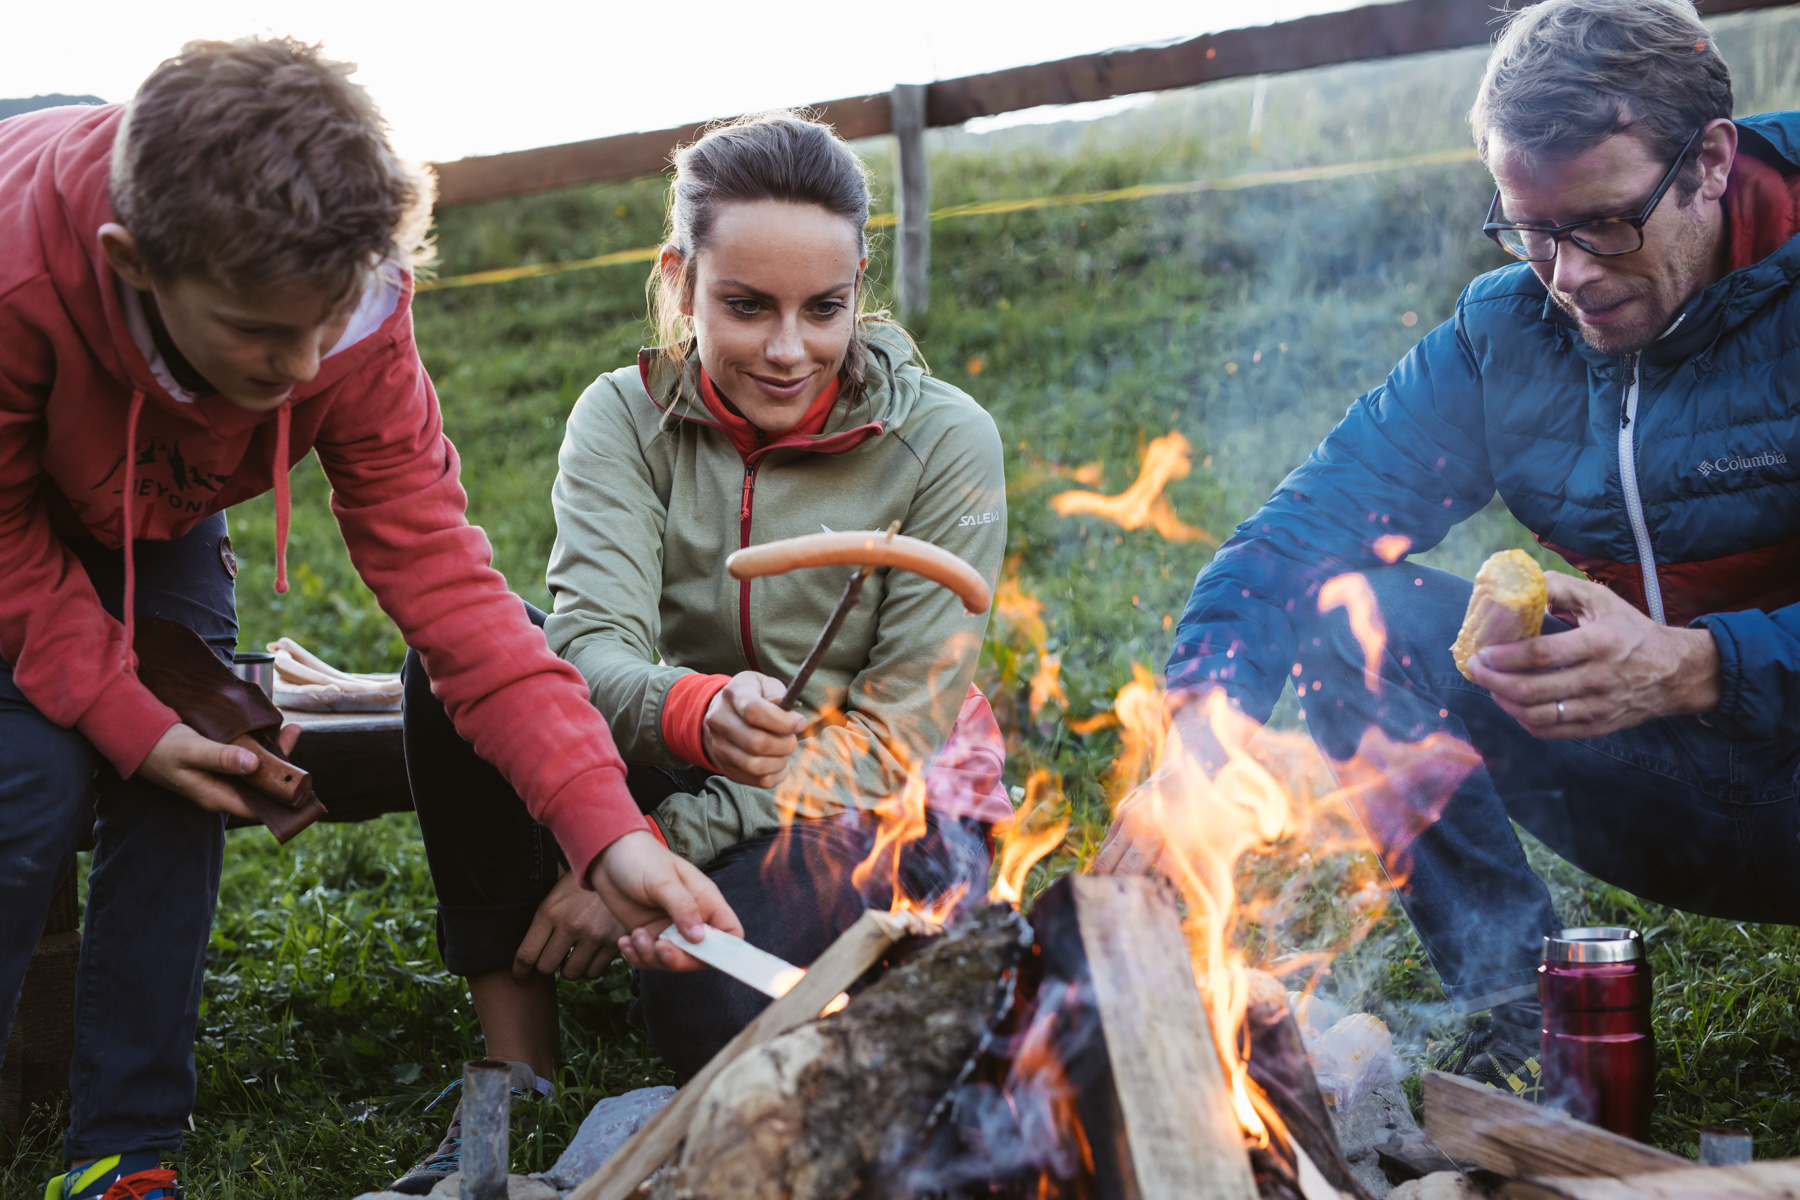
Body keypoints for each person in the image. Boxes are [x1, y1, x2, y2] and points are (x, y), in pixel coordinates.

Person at [0, 39, 735, 1200]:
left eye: (327, 321)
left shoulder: (349, 310)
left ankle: (122, 1152)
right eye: (259, 331)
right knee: (29, 779)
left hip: (154, 493)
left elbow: (455, 598)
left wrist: (608, 830)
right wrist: (118, 714)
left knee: (200, 765)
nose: (302, 370)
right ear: (134, 262)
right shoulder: (17, 281)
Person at [1098, 0, 1800, 1098]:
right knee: (1345, 615)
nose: (1568, 275)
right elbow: (1294, 537)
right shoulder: (1505, 334)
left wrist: (1700, 664)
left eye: (1605, 223)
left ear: (1710, 161)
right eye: (1531, 229)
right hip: (1663, 790)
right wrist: (1202, 743)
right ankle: (1524, 1009)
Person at [394, 112, 1010, 1193]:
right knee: (459, 671)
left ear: (859, 287)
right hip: (684, 747)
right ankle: (516, 1064)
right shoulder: (619, 418)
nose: (789, 349)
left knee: (704, 1001)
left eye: (824, 309)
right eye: (746, 305)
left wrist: (636, 855)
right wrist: (685, 723)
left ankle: (717, 949)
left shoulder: (947, 441)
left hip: (875, 803)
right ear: (681, 281)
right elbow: (588, 649)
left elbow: (891, 743)